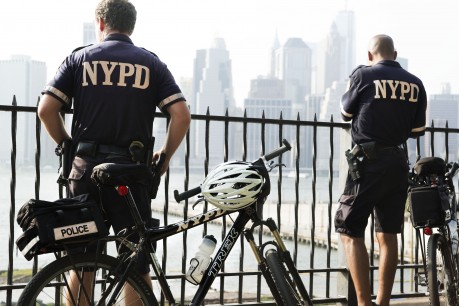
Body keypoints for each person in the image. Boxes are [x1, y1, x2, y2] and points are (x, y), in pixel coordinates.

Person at [37, 0, 191, 304]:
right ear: (131, 26)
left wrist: (68, 145)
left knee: (81, 264)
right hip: (130, 175)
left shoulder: (80, 59)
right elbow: (181, 115)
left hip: (84, 170)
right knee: (136, 262)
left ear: (100, 22)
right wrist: (164, 155)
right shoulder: (152, 64)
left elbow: (46, 110)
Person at [334, 34, 427, 306]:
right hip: (397, 163)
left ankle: (364, 303)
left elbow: (345, 113)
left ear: (370, 55)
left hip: (367, 164)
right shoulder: (416, 83)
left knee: (349, 230)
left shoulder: (363, 76)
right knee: (388, 235)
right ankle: (383, 303)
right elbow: (416, 131)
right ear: (395, 54)